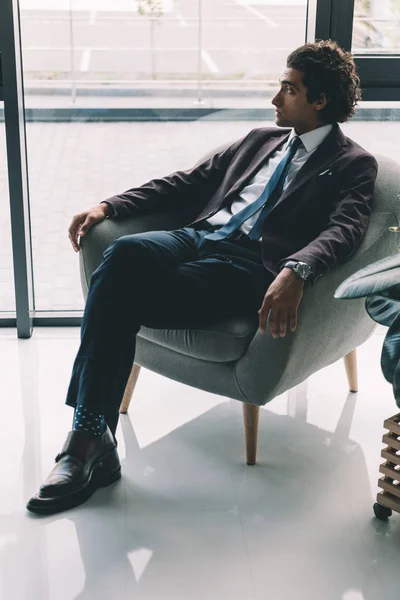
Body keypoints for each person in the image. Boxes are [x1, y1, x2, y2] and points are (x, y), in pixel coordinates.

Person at [27, 40, 378, 515]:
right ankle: (93, 441)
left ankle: (86, 442)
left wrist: (298, 268)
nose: (275, 99)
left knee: (112, 296)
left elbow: (347, 229)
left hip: (245, 267)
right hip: (195, 237)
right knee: (122, 252)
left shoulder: (352, 164)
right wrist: (111, 205)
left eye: (288, 89)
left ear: (319, 100)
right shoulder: (261, 139)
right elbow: (187, 181)